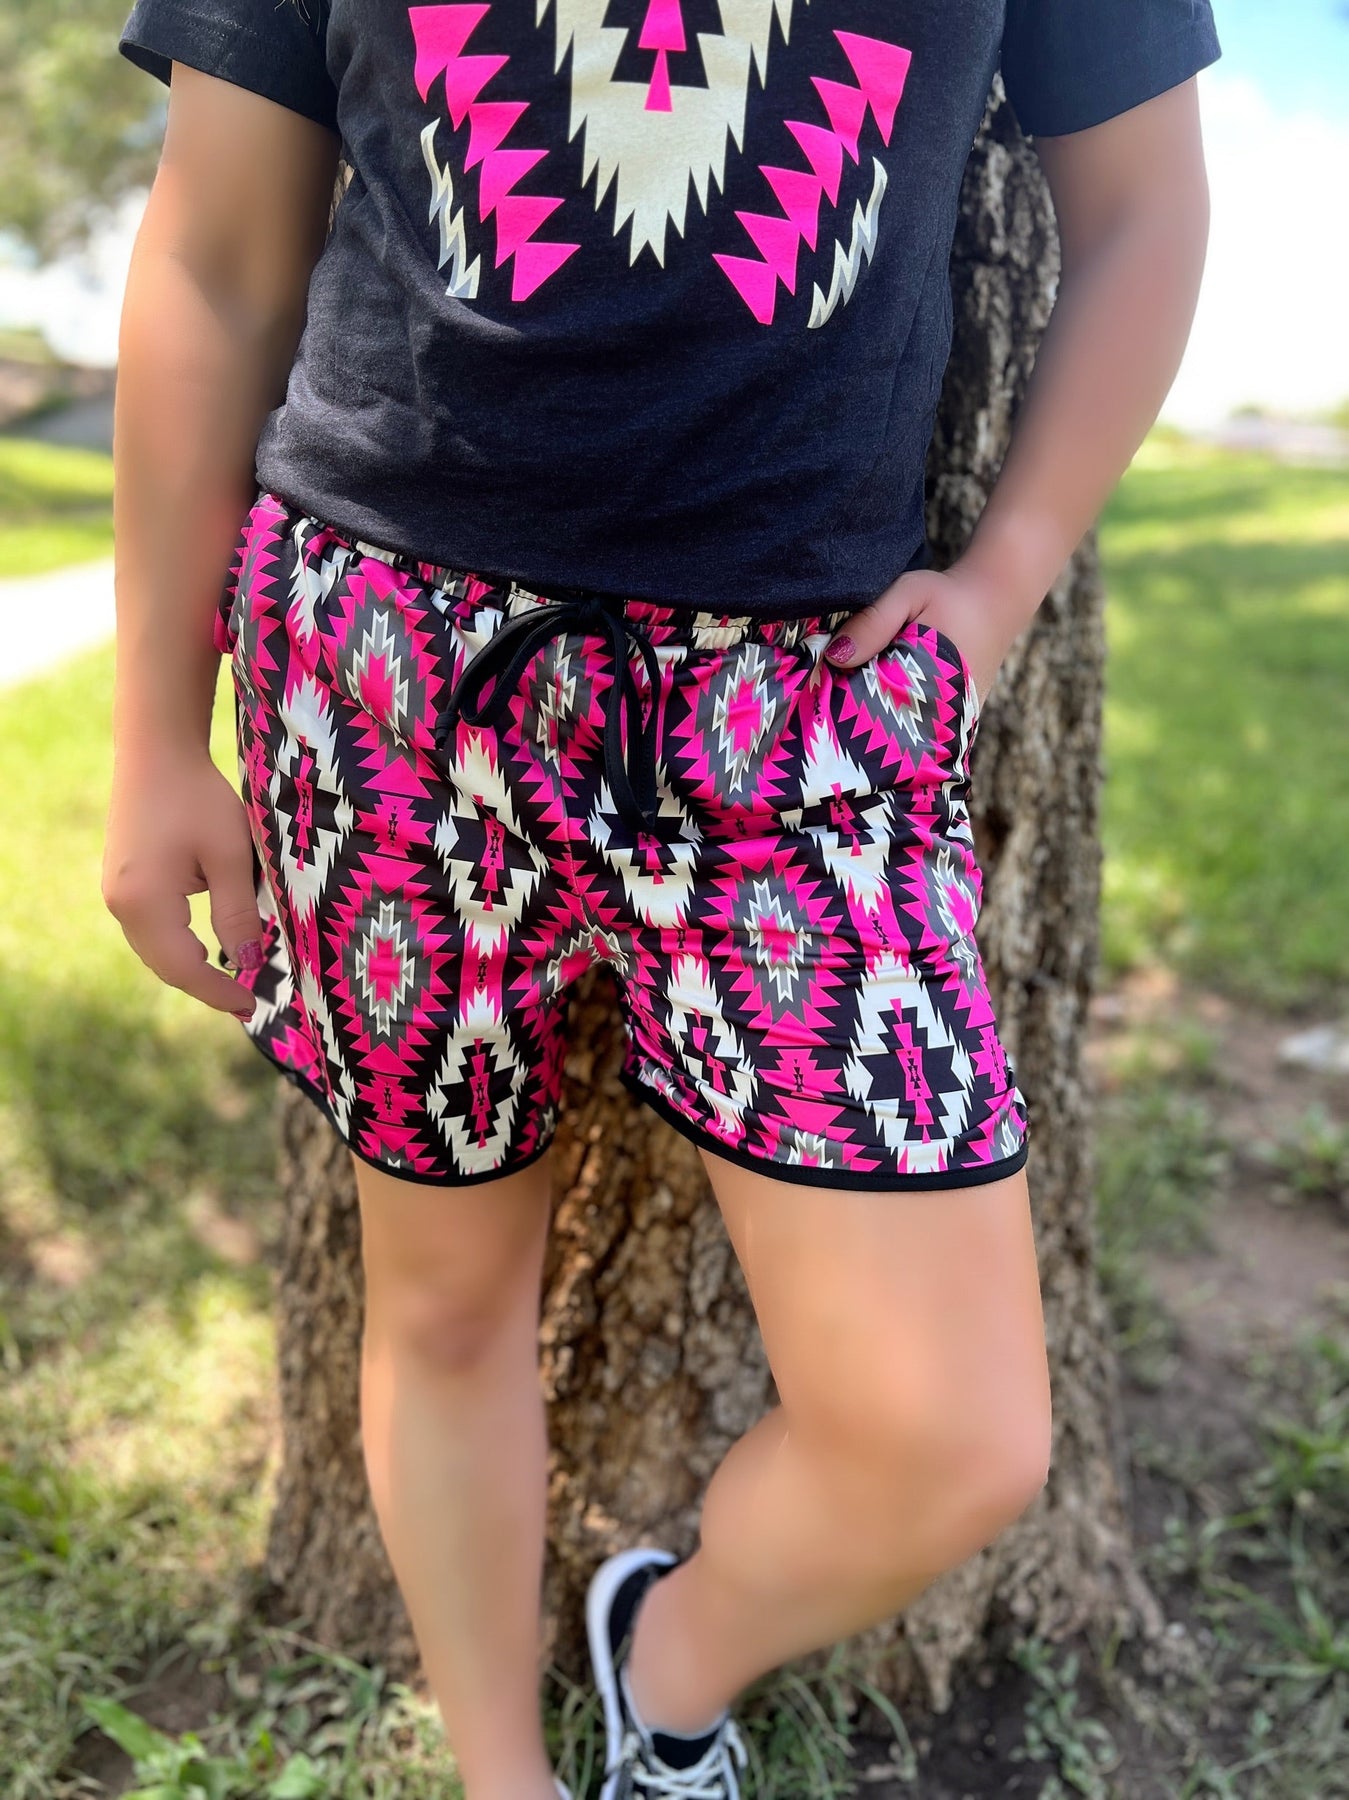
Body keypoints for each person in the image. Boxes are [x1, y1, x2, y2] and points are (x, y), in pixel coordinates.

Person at [104, 2, 1220, 1795]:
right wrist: (158, 734)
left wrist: (999, 585)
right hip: (388, 674)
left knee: (948, 1437)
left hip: (799, 707)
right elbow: (219, 255)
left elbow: (1145, 205)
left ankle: (667, 1656)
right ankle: (503, 1774)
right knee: (445, 1307)